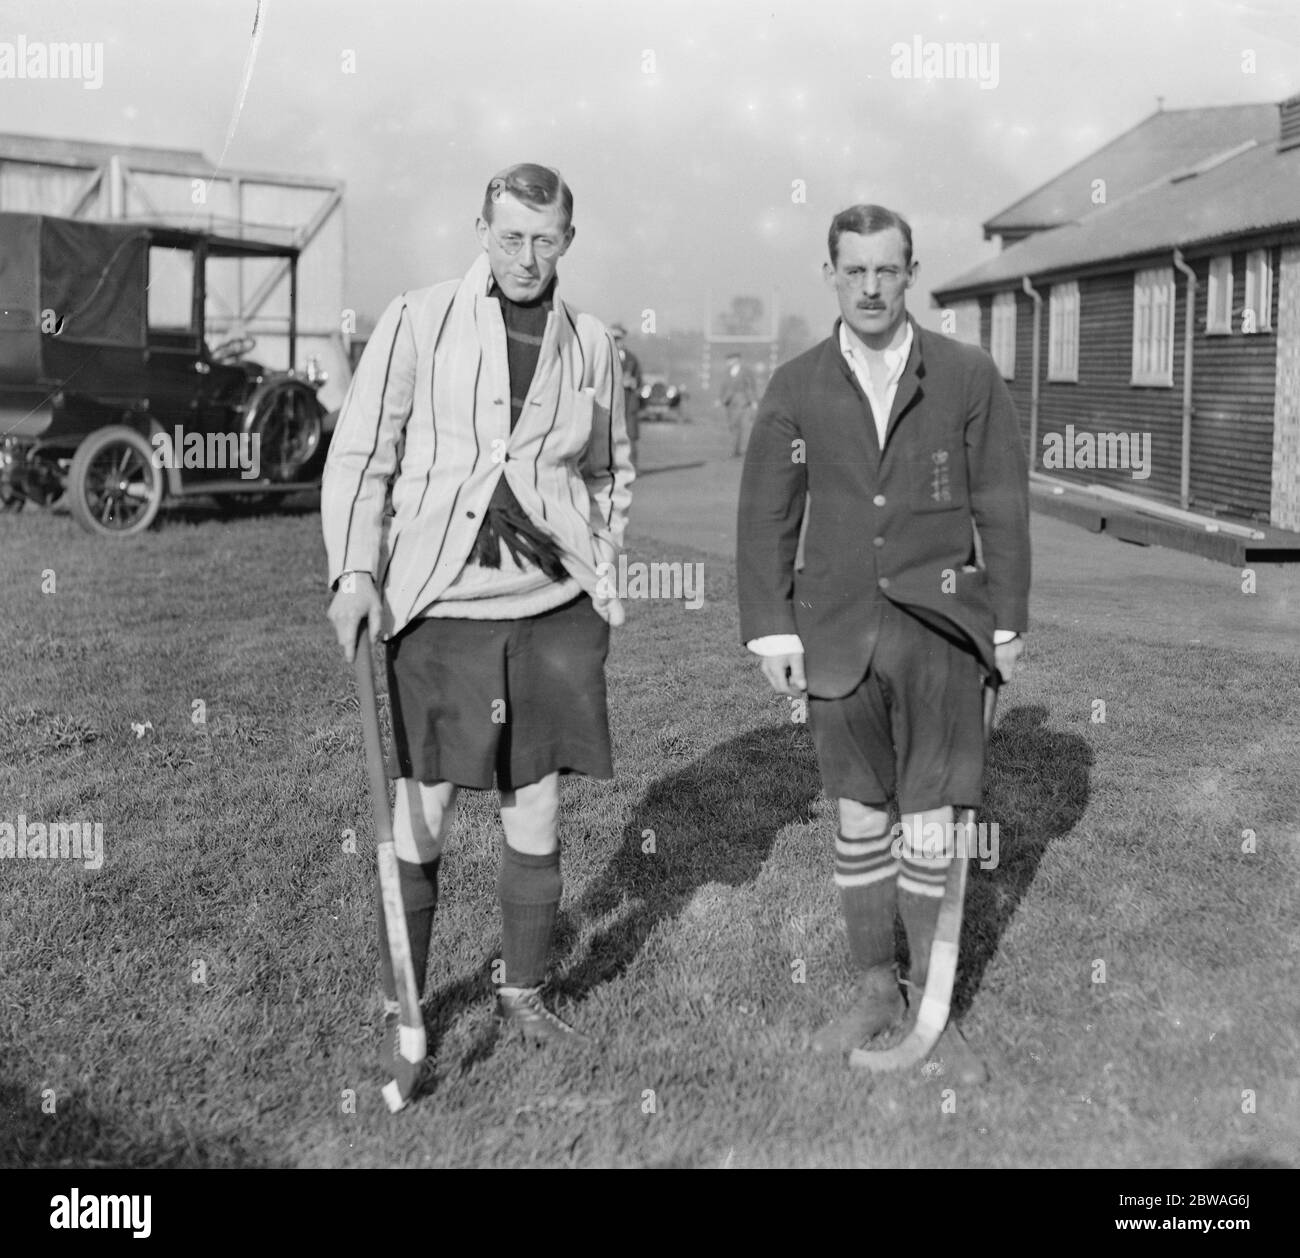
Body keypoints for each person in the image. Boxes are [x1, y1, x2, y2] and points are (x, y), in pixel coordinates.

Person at [323, 163, 634, 1083]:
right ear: (481, 230)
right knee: (422, 812)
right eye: (509, 238)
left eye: (545, 240)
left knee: (533, 802)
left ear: (568, 240)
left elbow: (612, 473)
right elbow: (362, 456)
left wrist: (604, 570)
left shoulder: (593, 342)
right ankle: (406, 997)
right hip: (440, 611)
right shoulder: (419, 318)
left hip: (550, 613)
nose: (527, 257)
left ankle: (525, 995)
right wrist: (354, 571)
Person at [736, 203, 1030, 1079]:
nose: (870, 286)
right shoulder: (795, 385)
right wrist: (772, 629)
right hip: (835, 635)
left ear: (911, 274)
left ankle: (936, 1007)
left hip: (941, 632)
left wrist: (1005, 621)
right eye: (853, 269)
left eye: (886, 270)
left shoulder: (967, 375)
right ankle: (876, 988)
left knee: (932, 822)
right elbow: (765, 519)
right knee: (862, 813)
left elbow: (1002, 505)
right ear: (831, 274)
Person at [610, 323, 642, 468]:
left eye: (620, 338)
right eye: (614, 338)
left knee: (631, 435)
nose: (618, 342)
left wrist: (634, 383)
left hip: (629, 402)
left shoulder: (632, 359)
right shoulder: (606, 356)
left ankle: (632, 466)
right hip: (612, 401)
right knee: (609, 434)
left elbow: (639, 380)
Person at [718, 352, 760, 457]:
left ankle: (735, 450)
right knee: (731, 425)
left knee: (736, 424)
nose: (728, 362)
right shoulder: (727, 371)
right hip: (729, 401)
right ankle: (735, 448)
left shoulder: (746, 371)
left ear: (736, 359)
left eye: (730, 359)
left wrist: (754, 401)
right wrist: (720, 399)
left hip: (741, 400)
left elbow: (752, 386)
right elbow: (723, 386)